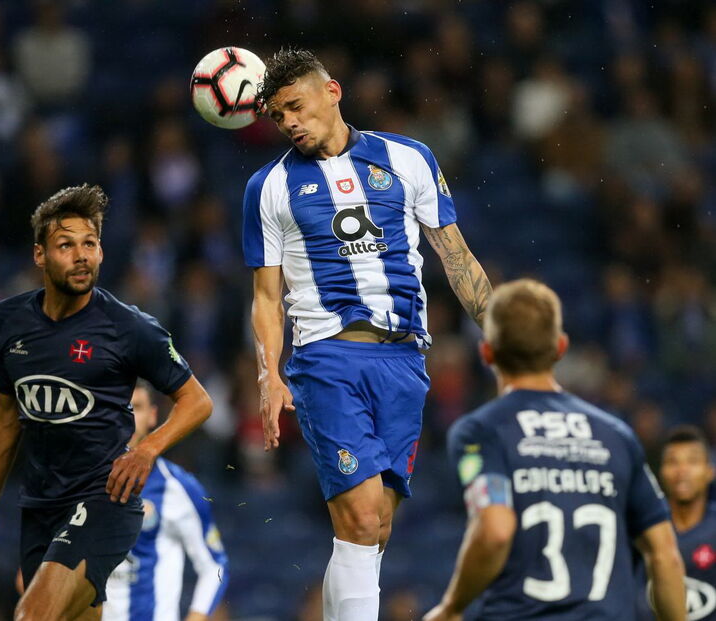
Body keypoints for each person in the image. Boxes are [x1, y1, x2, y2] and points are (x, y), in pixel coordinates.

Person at [243, 48, 493, 619]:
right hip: (327, 359)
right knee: (358, 518)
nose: (289, 124)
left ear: (332, 92)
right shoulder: (269, 186)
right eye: (278, 116)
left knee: (374, 527)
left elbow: (456, 257)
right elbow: (266, 297)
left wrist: (503, 338)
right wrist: (268, 375)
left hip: (404, 361)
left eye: (296, 107)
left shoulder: (409, 158)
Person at [0, 184, 213, 621]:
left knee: (32, 616)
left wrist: (146, 450)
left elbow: (197, 401)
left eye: (90, 244)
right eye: (66, 245)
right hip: (40, 505)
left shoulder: (129, 327)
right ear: (39, 255)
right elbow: (5, 417)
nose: (81, 256)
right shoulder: (6, 322)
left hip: (104, 499)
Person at [424, 279, 686, 621]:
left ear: (487, 353)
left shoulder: (481, 431)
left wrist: (453, 606)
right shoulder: (616, 436)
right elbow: (665, 555)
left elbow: (495, 531)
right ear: (560, 347)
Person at [103, 382, 229, 620]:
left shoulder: (178, 487)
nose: (128, 417)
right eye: (120, 408)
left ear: (152, 416)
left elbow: (214, 566)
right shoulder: (79, 483)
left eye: (136, 408)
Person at [639, 426, 716, 620]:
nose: (682, 471)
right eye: (672, 462)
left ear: (710, 471)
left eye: (693, 461)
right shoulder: (640, 529)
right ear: (661, 471)